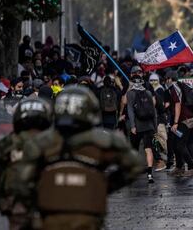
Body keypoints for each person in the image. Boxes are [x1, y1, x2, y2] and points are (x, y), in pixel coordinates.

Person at [27, 86, 143, 230]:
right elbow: (136, 164)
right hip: (87, 217)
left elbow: (21, 178)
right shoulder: (101, 141)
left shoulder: (42, 142)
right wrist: (104, 185)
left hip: (51, 216)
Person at [0, 98, 53, 230]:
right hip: (48, 199)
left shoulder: (8, 142)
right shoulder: (53, 140)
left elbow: (0, 166)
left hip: (15, 202)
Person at [126, 74, 157, 183]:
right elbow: (154, 111)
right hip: (149, 126)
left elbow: (130, 110)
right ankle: (149, 174)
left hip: (137, 127)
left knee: (133, 150)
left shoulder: (130, 94)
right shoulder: (148, 93)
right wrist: (155, 126)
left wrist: (133, 126)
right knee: (148, 149)